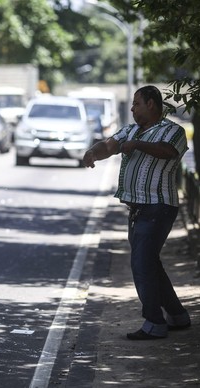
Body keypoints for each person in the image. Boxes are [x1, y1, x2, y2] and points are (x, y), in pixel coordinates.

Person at [83, 85, 191, 340]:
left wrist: (138, 145)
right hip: (138, 209)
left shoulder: (172, 130)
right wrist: (93, 152)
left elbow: (168, 152)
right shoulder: (130, 130)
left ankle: (154, 323)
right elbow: (109, 145)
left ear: (151, 104)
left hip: (158, 206)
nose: (132, 108)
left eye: (136, 103)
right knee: (150, 263)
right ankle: (177, 316)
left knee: (141, 264)